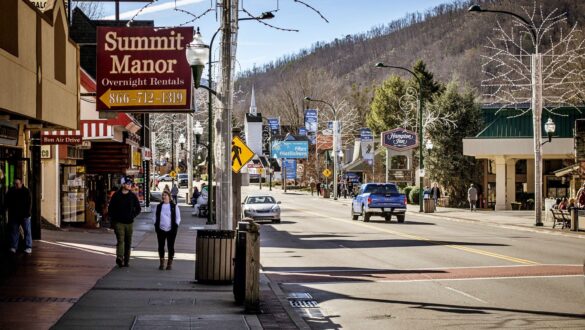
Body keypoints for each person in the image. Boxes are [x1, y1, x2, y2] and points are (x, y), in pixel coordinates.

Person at [108, 176, 141, 267]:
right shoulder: (116, 195)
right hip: (119, 222)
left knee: (128, 242)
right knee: (121, 240)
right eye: (127, 183)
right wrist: (113, 221)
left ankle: (126, 260)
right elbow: (110, 209)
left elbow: (138, 209)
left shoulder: (132, 196)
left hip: (129, 223)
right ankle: (120, 258)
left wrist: (132, 215)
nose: (130, 185)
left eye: (130, 184)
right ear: (123, 185)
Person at [154, 191, 181, 270]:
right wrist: (156, 225)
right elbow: (154, 217)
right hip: (161, 229)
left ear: (169, 196)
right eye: (163, 195)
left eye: (165, 195)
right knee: (161, 246)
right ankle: (161, 262)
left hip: (171, 230)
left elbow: (178, 218)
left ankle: (169, 263)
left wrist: (176, 225)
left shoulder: (174, 206)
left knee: (170, 246)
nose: (164, 197)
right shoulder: (159, 206)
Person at [6, 178, 32, 254]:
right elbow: (7, 201)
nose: (15, 185)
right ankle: (13, 247)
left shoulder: (26, 191)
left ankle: (28, 247)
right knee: (14, 231)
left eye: (17, 184)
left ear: (21, 183)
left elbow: (29, 203)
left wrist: (28, 214)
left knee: (27, 231)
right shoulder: (11, 191)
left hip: (24, 215)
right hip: (14, 215)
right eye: (14, 184)